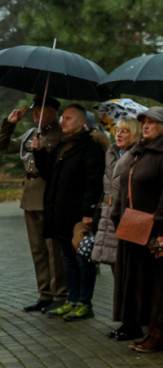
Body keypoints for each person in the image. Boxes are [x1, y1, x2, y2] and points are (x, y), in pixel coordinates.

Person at [110, 106, 163, 352]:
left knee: (160, 284)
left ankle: (159, 333)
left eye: (152, 123)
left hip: (157, 230)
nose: (145, 126)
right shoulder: (140, 152)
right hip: (134, 226)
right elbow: (125, 185)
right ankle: (149, 331)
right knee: (141, 282)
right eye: (144, 122)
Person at [31, 104, 106, 322]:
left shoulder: (89, 145)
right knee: (67, 259)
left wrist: (88, 212)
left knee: (82, 258)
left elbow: (93, 181)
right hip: (60, 212)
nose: (63, 121)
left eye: (68, 118)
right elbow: (48, 173)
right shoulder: (63, 144)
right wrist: (38, 152)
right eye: (62, 117)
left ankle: (84, 303)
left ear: (82, 122)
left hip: (78, 214)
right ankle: (72, 300)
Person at [0, 95, 65, 312]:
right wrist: (9, 124)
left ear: (53, 112)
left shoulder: (60, 134)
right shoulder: (30, 133)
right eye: (35, 109)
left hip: (48, 196)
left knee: (53, 250)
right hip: (30, 196)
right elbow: (5, 146)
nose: (36, 113)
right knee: (37, 249)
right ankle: (44, 294)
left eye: (41, 109)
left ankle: (59, 294)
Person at [92, 117, 143, 340]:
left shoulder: (138, 155)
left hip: (129, 218)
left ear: (134, 134)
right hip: (109, 217)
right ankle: (126, 321)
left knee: (129, 274)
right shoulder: (112, 154)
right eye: (117, 131)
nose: (119, 135)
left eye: (125, 131)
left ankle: (134, 322)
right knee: (117, 273)